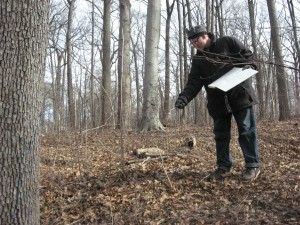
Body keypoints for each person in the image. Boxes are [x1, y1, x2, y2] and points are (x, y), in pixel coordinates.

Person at [175, 25, 260, 182]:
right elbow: (193, 83)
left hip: (240, 95)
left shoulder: (227, 42)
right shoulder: (198, 59)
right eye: (191, 42)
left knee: (247, 130)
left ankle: (252, 165)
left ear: (205, 36)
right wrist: (184, 98)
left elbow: (248, 56)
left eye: (195, 40)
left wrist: (248, 65)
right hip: (217, 102)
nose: (194, 44)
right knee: (221, 135)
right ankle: (223, 167)